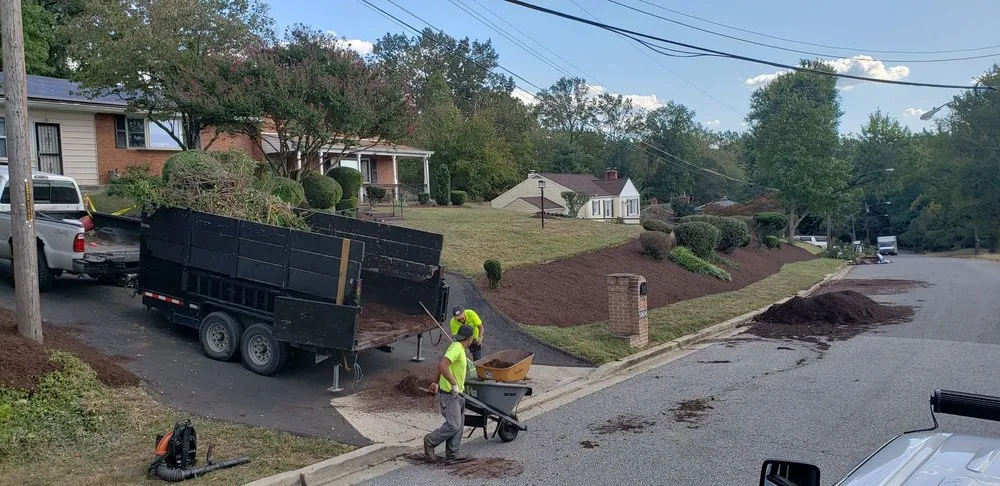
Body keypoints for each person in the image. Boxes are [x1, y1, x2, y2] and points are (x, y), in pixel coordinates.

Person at [424, 324, 475, 462]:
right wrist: (453, 384)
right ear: (469, 338)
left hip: (457, 393)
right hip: (449, 394)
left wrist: (435, 382)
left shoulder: (458, 348)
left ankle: (452, 455)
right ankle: (430, 441)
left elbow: (442, 364)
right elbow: (442, 365)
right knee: (453, 424)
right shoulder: (457, 348)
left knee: (458, 426)